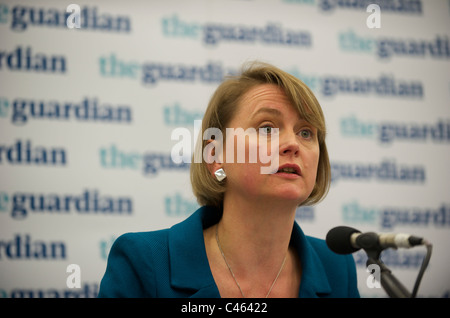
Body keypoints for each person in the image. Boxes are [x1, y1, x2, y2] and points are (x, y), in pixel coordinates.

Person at [98, 62, 360, 298]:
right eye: (267, 128)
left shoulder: (337, 267)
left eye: (305, 132)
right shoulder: (144, 261)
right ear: (215, 157)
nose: (293, 144)